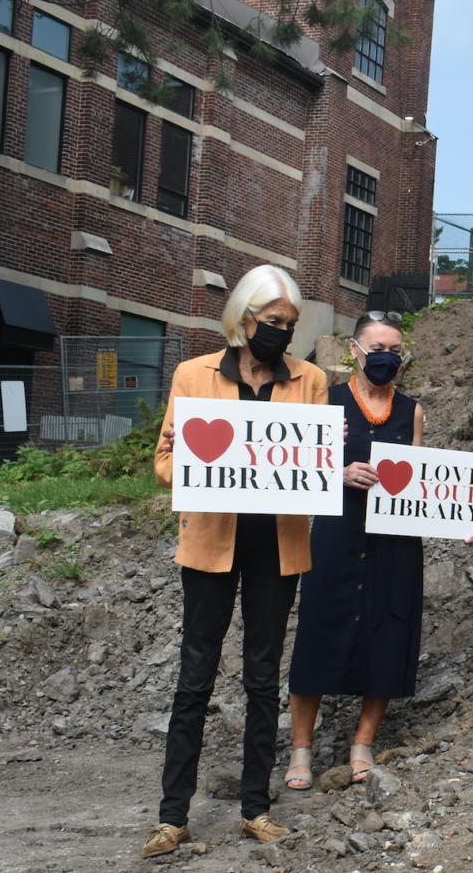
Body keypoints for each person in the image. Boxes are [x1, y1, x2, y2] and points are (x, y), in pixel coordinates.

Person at [145, 265, 328, 858]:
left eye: (290, 326)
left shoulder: (311, 381)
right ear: (244, 318)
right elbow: (166, 458)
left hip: (277, 545)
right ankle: (173, 817)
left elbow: (316, 458)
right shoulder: (192, 375)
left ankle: (256, 808)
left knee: (261, 677)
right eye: (273, 322)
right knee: (194, 677)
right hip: (210, 541)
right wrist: (196, 475)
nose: (282, 334)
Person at [283, 313, 473, 791]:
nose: (386, 358)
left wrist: (461, 524)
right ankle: (300, 750)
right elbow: (299, 469)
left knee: (388, 634)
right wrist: (340, 473)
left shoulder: (411, 411)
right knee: (317, 630)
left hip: (394, 542)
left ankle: (362, 743)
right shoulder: (326, 402)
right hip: (336, 533)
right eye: (378, 348)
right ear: (354, 349)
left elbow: (421, 484)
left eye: (395, 350)